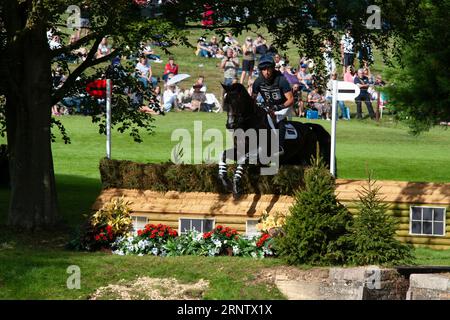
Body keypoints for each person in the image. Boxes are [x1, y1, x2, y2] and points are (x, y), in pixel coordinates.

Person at [252, 55, 294, 156]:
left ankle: (279, 147)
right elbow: (252, 99)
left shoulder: (281, 80)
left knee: (277, 118)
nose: (266, 72)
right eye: (264, 69)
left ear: (272, 68)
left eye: (269, 69)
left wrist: (278, 107)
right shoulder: (258, 82)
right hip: (268, 107)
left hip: (284, 106)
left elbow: (291, 99)